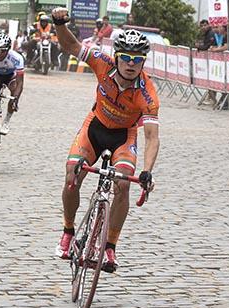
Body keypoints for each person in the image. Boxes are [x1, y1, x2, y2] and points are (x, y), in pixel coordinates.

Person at [51, 7, 159, 273]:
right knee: (71, 175)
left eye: (137, 59)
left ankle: (109, 246)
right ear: (117, 57)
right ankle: (67, 230)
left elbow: (152, 137)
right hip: (95, 129)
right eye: (126, 58)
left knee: (123, 184)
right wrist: (60, 22)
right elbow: (71, 45)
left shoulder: (148, 95)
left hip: (124, 136)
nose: (131, 64)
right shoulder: (102, 62)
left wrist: (147, 171)